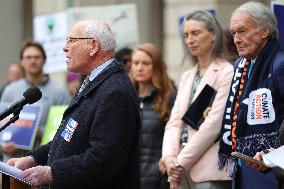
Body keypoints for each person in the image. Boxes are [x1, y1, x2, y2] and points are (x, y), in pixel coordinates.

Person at [6, 20, 141, 189]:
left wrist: (52, 173)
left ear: (93, 46)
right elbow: (67, 140)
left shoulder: (115, 91)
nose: (65, 47)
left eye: (71, 40)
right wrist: (32, 159)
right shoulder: (94, 82)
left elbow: (104, 160)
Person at [162, 10, 233, 189]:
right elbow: (174, 122)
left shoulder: (227, 72)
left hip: (208, 168)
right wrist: (169, 157)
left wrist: (179, 162)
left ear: (213, 35)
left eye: (195, 33)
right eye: (186, 35)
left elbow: (213, 126)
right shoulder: (187, 75)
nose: (189, 40)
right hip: (179, 169)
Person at [218, 2, 284, 189]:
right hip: (244, 166)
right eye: (233, 33)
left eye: (242, 31)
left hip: (272, 171)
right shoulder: (240, 66)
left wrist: (275, 152)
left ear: (264, 31)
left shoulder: (279, 64)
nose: (236, 40)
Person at [0, 41, 71, 162]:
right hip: (12, 161)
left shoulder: (60, 91)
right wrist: (2, 145)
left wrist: (36, 131)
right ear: (21, 61)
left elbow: (67, 127)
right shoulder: (10, 89)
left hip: (44, 162)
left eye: (37, 57)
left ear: (44, 60)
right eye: (28, 57)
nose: (33, 61)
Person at [130, 43, 176, 189]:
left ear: (156, 66)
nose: (139, 67)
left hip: (159, 179)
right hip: (129, 179)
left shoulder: (169, 96)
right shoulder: (125, 97)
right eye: (136, 63)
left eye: (146, 63)